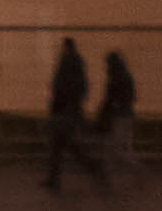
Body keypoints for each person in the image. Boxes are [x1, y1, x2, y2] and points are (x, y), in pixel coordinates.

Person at [43, 38, 98, 192]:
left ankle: (95, 170)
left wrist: (60, 105)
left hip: (64, 112)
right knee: (61, 147)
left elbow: (61, 88)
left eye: (63, 47)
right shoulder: (76, 64)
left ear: (67, 48)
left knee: (65, 147)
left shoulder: (68, 63)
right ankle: (53, 179)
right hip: (67, 112)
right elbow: (79, 89)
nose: (61, 49)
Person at [97, 48, 141, 187]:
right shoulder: (126, 75)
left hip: (119, 117)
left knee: (114, 148)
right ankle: (106, 176)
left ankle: (137, 169)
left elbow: (109, 99)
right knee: (119, 148)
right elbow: (133, 96)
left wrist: (105, 111)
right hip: (127, 115)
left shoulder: (115, 77)